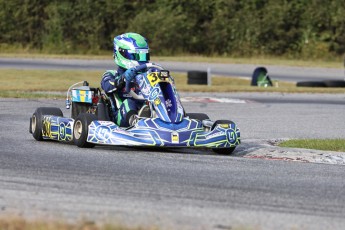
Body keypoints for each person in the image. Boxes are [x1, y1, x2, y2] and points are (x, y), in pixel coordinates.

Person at [101, 32, 150, 127]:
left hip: (144, 108)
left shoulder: (147, 76)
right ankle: (135, 121)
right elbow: (107, 86)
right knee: (129, 103)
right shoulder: (111, 74)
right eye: (136, 56)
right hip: (120, 116)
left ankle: (176, 120)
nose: (141, 60)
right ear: (121, 53)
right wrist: (122, 79)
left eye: (144, 56)